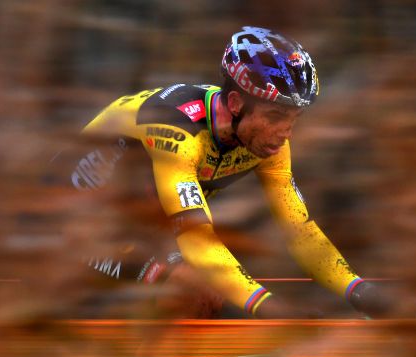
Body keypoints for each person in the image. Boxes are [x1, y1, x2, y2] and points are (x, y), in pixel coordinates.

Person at [54, 26, 389, 319]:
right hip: (69, 220)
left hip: (133, 221)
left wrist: (359, 290)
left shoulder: (265, 142)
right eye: (275, 116)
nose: (285, 133)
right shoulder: (177, 130)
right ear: (236, 103)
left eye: (293, 119)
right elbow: (198, 239)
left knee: (215, 287)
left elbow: (300, 231)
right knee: (194, 287)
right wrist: (266, 306)